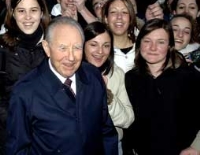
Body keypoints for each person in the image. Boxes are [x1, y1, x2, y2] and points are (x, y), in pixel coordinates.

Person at [6, 17, 118, 154]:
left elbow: (106, 131)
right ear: (47, 48)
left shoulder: (93, 76)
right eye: (63, 48)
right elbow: (17, 150)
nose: (71, 57)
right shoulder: (25, 92)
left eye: (77, 48)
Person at [123, 18, 200, 155]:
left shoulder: (189, 77)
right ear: (139, 44)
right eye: (147, 41)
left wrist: (197, 146)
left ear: (170, 46)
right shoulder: (131, 78)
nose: (153, 48)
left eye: (160, 42)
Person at [0, 0, 50, 153]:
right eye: (21, 11)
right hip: (12, 132)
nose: (28, 17)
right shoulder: (3, 48)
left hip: (49, 133)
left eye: (33, 10)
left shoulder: (55, 44)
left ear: (42, 11)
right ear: (13, 13)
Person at [84, 21, 135, 154]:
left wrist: (107, 96)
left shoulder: (116, 73)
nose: (100, 51)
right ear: (82, 45)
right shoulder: (70, 73)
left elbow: (128, 120)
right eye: (93, 45)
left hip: (110, 145)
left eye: (106, 45)